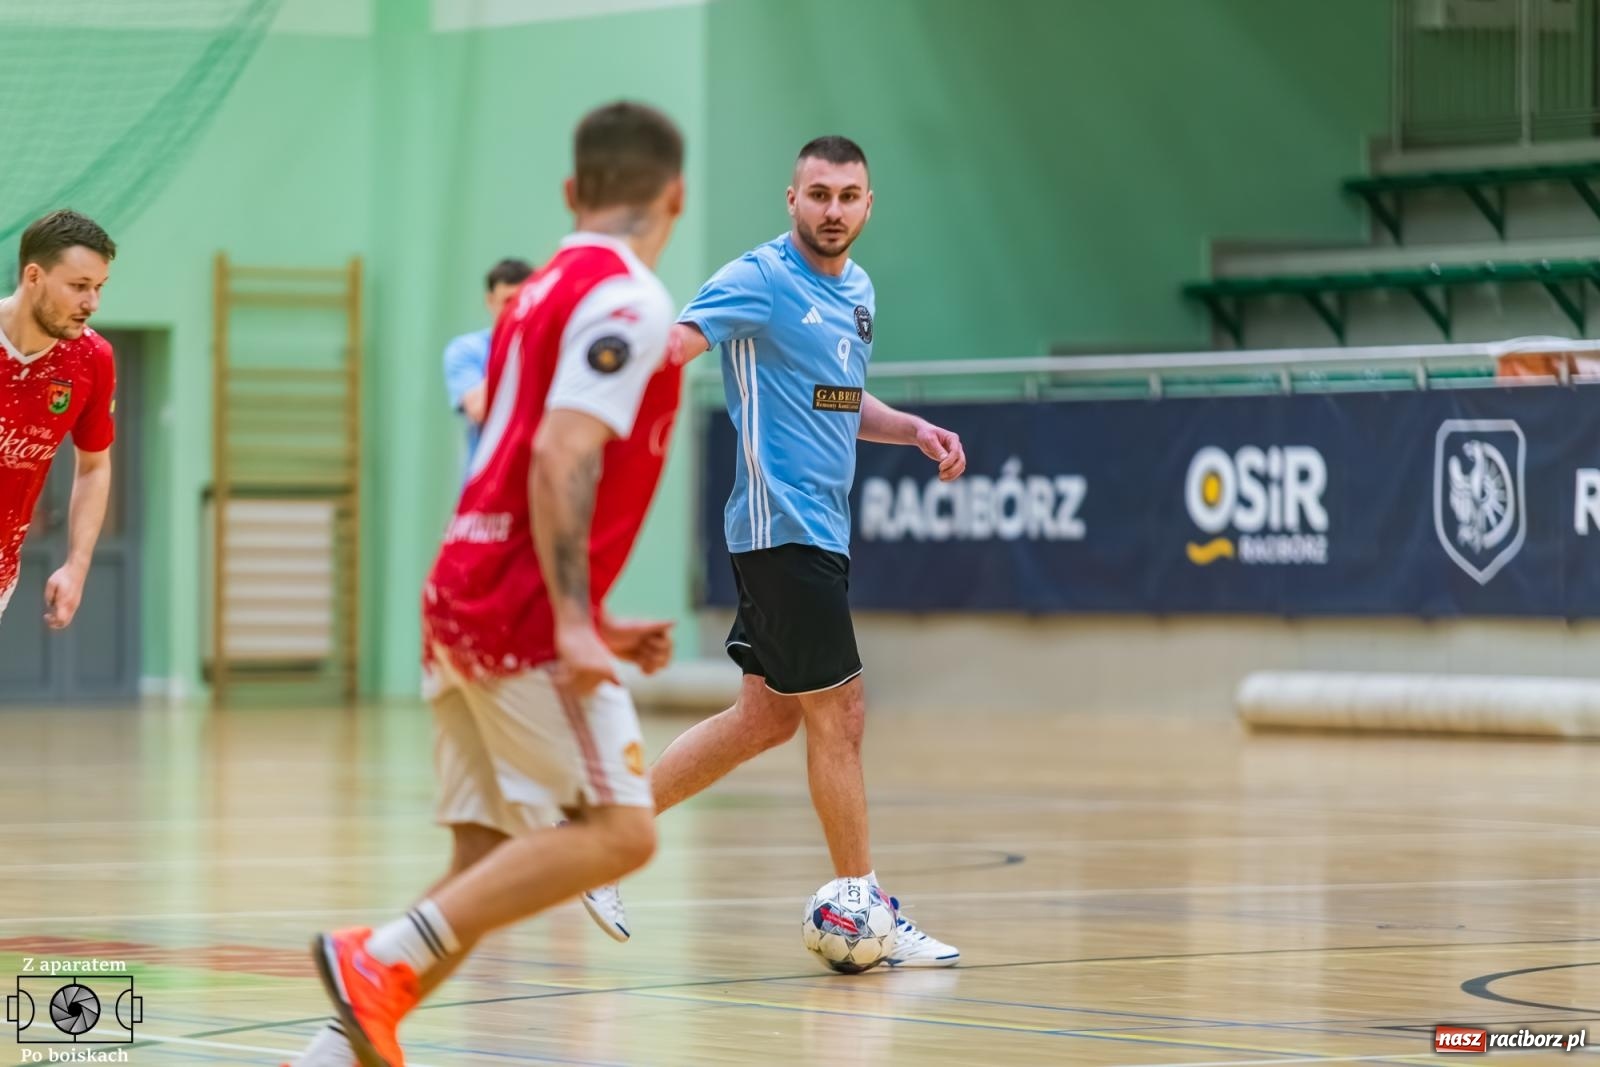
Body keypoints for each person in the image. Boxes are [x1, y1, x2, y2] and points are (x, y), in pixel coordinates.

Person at [298, 101, 687, 1067]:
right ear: (675, 195)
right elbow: (559, 459)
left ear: (571, 191)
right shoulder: (631, 300)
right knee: (622, 834)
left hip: (460, 583)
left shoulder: (536, 290)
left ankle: (321, 1055)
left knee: (481, 866)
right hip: (518, 608)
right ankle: (374, 956)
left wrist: (591, 611)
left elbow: (512, 457)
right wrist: (571, 621)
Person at [582, 136, 967, 967]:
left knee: (768, 716)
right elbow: (676, 345)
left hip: (817, 531)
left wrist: (912, 431)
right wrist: (597, 400)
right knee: (844, 712)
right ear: (790, 198)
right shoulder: (757, 278)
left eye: (849, 196)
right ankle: (864, 903)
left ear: (869, 206)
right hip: (778, 528)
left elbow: (837, 395)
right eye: (819, 193)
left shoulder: (857, 291)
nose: (833, 209)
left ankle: (603, 838)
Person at [0, 209, 117, 633]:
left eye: (99, 287)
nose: (92, 303)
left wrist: (76, 565)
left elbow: (93, 466)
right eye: (79, 286)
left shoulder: (92, 359)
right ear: (34, 276)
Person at [442, 257, 534, 467]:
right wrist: (515, 346)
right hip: (487, 481)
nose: (517, 310)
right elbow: (479, 409)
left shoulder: (550, 348)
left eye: (524, 301)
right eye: (509, 301)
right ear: (490, 301)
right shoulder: (466, 350)